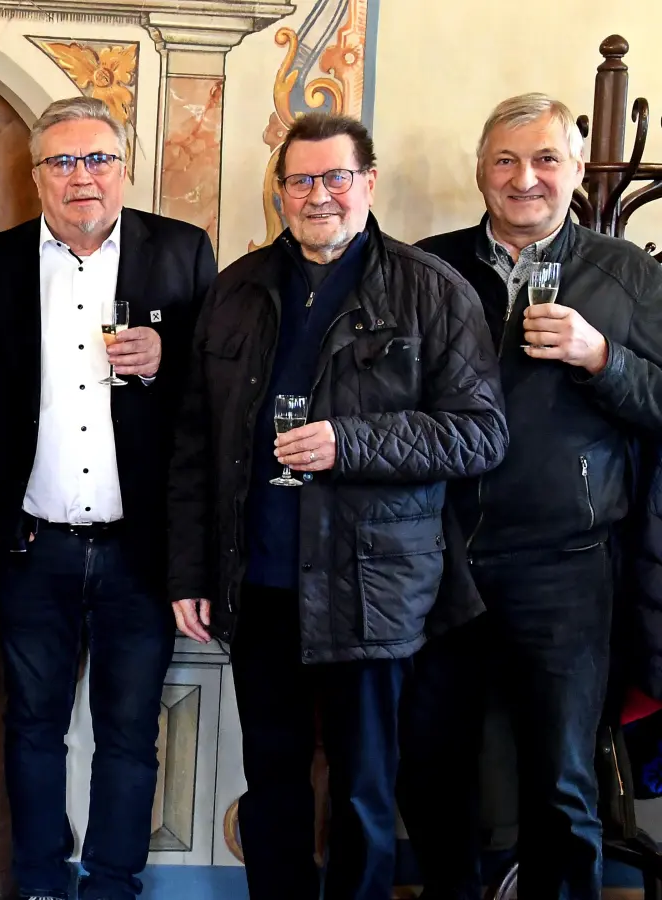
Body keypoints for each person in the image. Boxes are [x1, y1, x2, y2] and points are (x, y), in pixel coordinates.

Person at [165, 111, 508, 900]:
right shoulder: (236, 290)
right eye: (301, 180)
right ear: (280, 191)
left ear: (368, 183)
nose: (319, 195)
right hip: (259, 585)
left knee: (361, 792)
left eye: (336, 177)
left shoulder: (430, 290)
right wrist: (189, 570)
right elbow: (194, 447)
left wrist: (349, 443)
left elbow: (481, 436)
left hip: (376, 591)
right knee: (274, 785)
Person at [403, 93, 662, 900]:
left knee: (562, 782)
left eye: (546, 160)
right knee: (433, 771)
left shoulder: (629, 275)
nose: (525, 179)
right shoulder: (426, 265)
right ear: (481, 171)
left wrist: (601, 357)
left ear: (576, 172)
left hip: (567, 566)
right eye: (505, 161)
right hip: (437, 559)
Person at [0, 96, 216, 900]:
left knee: (130, 736)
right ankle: (39, 882)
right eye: (62, 162)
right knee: (32, 731)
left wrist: (169, 356)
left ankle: (112, 885)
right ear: (36, 176)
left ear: (124, 167)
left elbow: (217, 397)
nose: (81, 178)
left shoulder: (180, 252)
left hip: (143, 548)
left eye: (97, 159)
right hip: (32, 545)